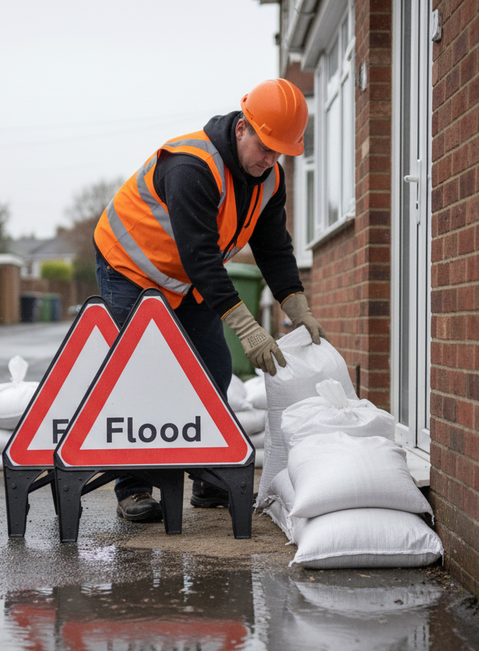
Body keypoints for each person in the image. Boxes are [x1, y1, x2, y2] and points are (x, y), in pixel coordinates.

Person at [94, 78, 327, 523]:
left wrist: (296, 302)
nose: (271, 158)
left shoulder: (269, 179)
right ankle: (133, 487)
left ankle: (205, 475)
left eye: (280, 150)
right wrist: (246, 325)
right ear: (242, 128)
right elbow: (201, 256)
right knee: (139, 371)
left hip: (186, 277)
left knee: (214, 368)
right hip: (129, 266)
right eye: (265, 145)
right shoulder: (191, 165)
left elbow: (274, 247)